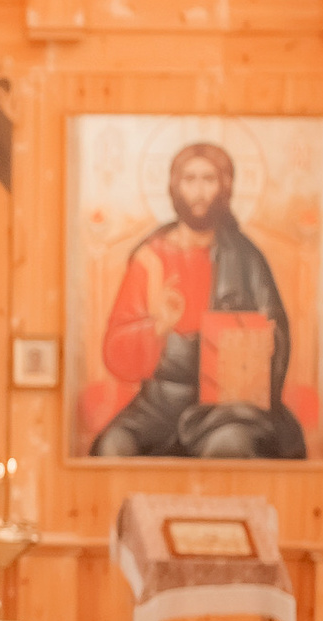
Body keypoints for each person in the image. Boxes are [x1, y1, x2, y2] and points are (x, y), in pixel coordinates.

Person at [89, 140, 306, 460]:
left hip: (227, 408)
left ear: (225, 187)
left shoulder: (246, 259)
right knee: (113, 447)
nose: (199, 191)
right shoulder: (150, 259)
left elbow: (277, 331)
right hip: (159, 405)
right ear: (175, 187)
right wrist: (158, 326)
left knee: (229, 446)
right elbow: (116, 352)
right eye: (190, 180)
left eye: (209, 179)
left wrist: (253, 342)